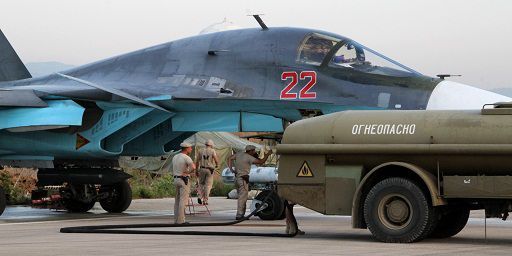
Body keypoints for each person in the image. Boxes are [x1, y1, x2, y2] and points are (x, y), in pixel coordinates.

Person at [227, 145, 271, 220]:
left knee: (242, 196)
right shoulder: (249, 157)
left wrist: (231, 169)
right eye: (253, 150)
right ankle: (239, 215)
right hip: (243, 179)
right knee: (242, 198)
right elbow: (261, 162)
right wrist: (267, 154)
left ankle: (241, 214)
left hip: (237, 178)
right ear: (250, 151)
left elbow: (229, 158)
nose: (254, 152)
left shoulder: (239, 154)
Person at [172, 142, 196, 224]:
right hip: (183, 180)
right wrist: (188, 172)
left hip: (175, 179)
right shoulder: (186, 157)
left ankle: (176, 220)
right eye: (190, 147)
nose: (191, 149)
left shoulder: (175, 156)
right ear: (186, 148)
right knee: (183, 201)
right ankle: (181, 221)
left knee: (177, 201)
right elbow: (193, 167)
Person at [195, 139, 219, 205]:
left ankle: (200, 196)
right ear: (211, 145)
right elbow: (216, 159)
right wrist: (217, 165)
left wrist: (196, 170)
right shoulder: (212, 151)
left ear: (205, 144)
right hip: (209, 170)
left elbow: (197, 161)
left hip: (202, 169)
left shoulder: (200, 150)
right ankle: (205, 200)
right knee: (208, 185)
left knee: (201, 184)